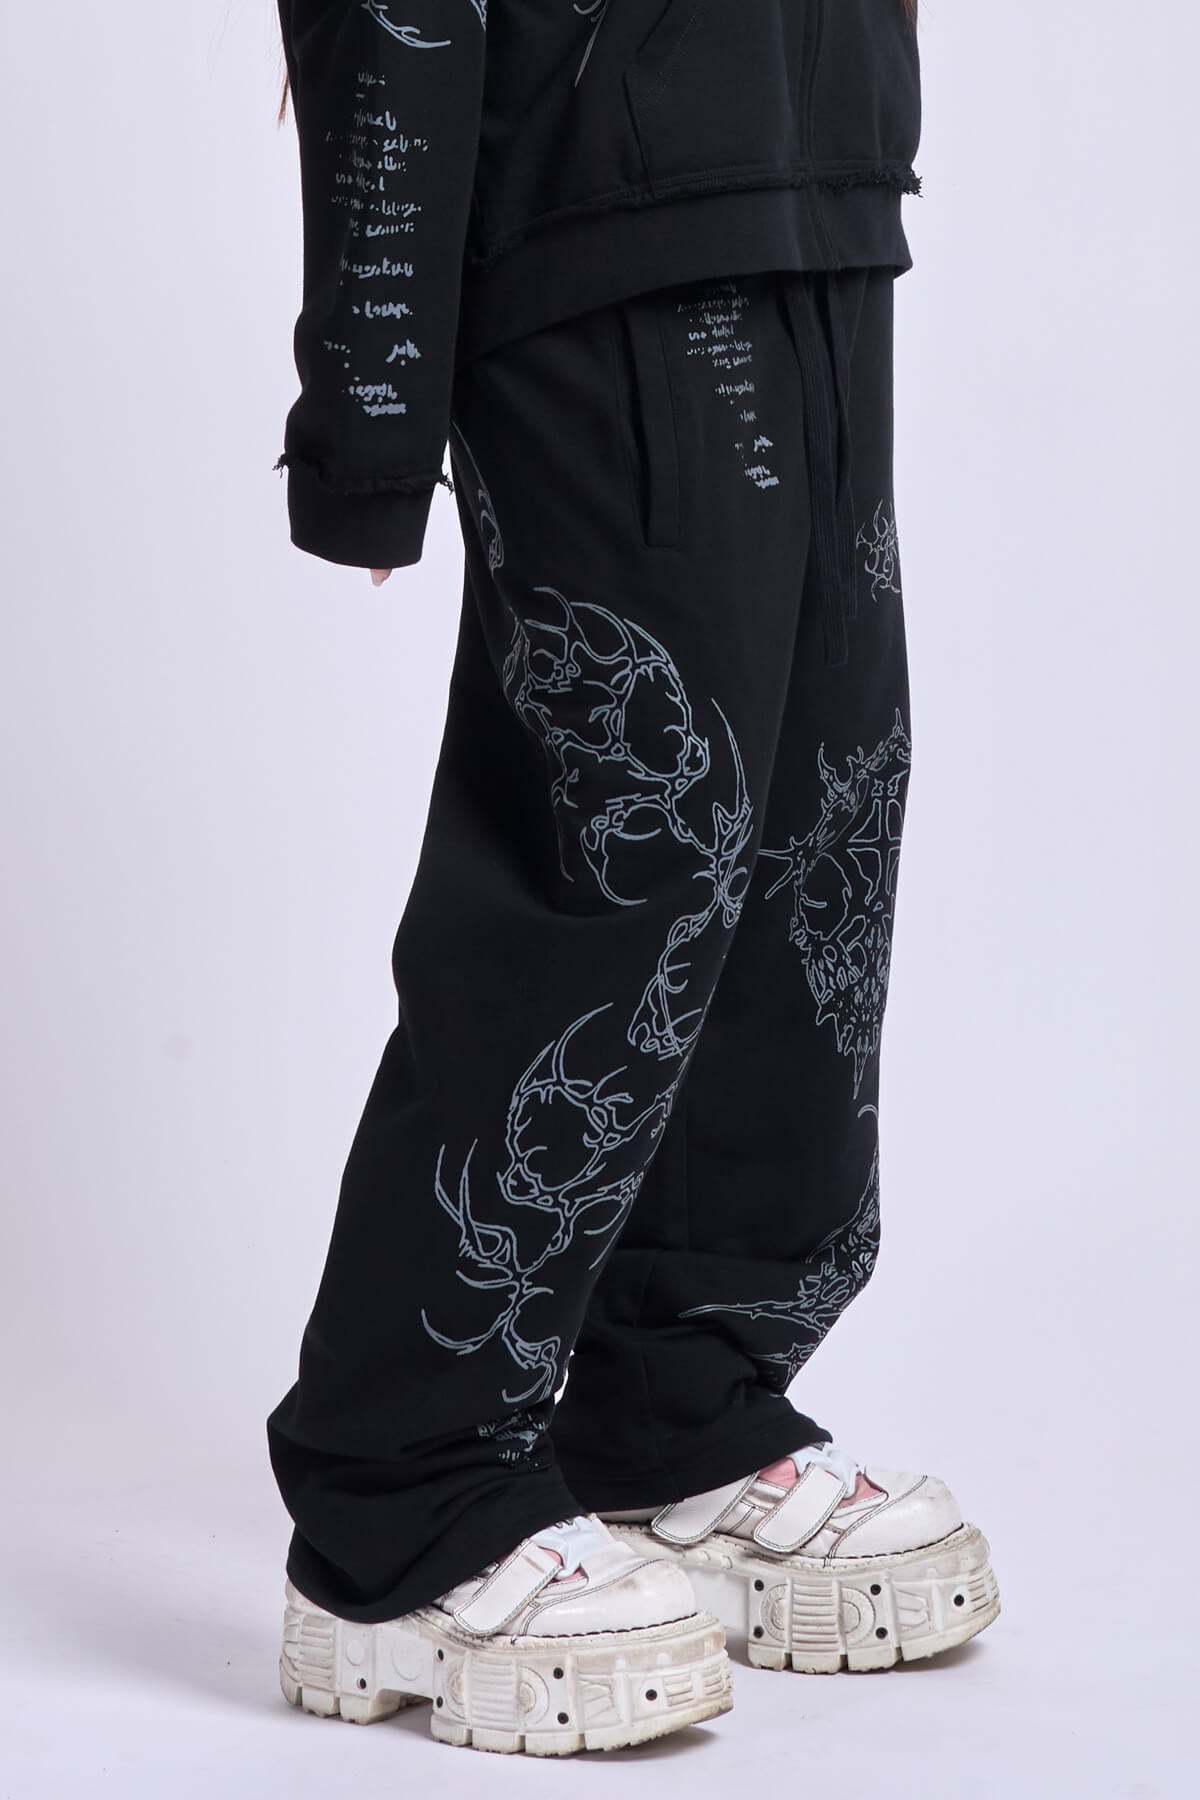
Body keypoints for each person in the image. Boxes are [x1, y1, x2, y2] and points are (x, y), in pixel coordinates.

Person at [266, 0, 998, 1755]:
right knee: (628, 847)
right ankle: (397, 1500)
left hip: (813, 173)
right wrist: (372, 398)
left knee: (819, 823)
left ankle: (670, 1406)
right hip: (591, 199)